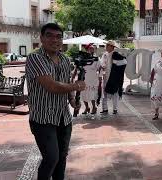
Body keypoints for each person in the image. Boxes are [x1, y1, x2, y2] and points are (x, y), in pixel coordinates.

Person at [25, 23, 86, 180]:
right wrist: (76, 85)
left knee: (62, 157)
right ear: (42, 38)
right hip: (43, 119)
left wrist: (72, 100)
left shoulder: (65, 60)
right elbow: (52, 86)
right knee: (51, 158)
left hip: (63, 118)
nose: (55, 40)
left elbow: (64, 83)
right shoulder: (35, 58)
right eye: (50, 35)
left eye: (58, 37)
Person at [71, 44, 102, 115]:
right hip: (83, 77)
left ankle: (94, 107)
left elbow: (100, 69)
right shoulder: (82, 57)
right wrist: (73, 76)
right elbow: (76, 67)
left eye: (93, 48)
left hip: (93, 78)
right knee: (83, 94)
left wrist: (100, 77)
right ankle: (87, 107)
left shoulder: (96, 59)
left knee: (92, 94)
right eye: (90, 48)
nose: (92, 50)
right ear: (87, 49)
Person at [100, 40, 127, 115]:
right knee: (104, 92)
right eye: (106, 45)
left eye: (108, 45)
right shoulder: (105, 54)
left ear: (112, 47)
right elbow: (102, 63)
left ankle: (115, 109)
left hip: (113, 77)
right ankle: (105, 108)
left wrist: (115, 63)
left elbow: (124, 62)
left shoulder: (116, 54)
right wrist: (103, 65)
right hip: (106, 76)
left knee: (115, 92)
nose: (106, 47)